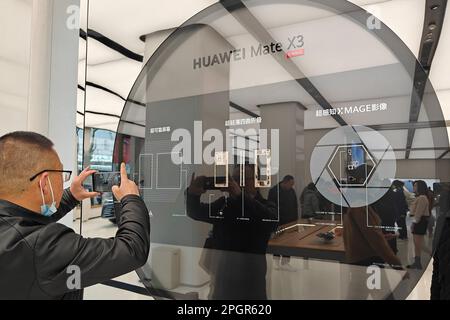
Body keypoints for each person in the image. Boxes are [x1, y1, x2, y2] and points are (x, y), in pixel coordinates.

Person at [0, 132, 150, 299]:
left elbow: (26, 224)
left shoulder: (14, 229)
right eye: (62, 174)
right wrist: (131, 198)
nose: (64, 180)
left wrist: (71, 195)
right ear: (44, 183)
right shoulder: (44, 246)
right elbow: (131, 250)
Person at [186, 164, 277, 299]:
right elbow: (197, 212)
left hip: (251, 278)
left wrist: (240, 195)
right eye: (234, 179)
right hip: (223, 275)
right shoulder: (225, 204)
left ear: (256, 182)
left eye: (243, 179)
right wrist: (193, 195)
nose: (237, 183)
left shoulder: (265, 205)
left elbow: (271, 222)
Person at [268, 175, 298, 271]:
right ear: (285, 182)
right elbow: (270, 207)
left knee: (289, 242)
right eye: (291, 184)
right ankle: (276, 262)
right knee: (278, 241)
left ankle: (285, 262)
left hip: (290, 222)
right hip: (278, 221)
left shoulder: (292, 192)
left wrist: (295, 221)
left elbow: (295, 206)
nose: (292, 186)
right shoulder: (273, 191)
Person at [407, 180, 431, 269]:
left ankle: (434, 255)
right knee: (417, 244)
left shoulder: (422, 197)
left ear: (420, 187)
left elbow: (419, 213)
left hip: (420, 222)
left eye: (415, 186)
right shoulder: (419, 197)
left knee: (419, 244)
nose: (413, 187)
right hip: (419, 221)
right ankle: (417, 263)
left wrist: (414, 223)